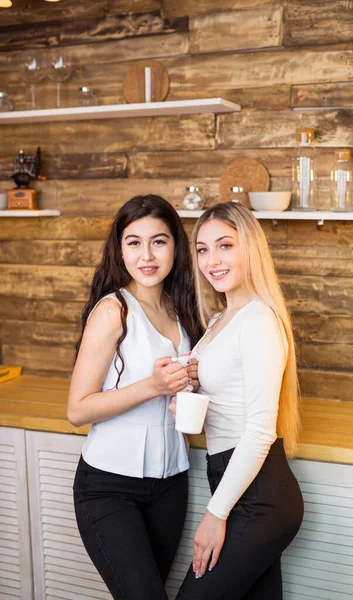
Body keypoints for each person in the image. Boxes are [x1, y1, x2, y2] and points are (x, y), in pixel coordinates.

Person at [68, 194, 202, 600]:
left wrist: (190, 383)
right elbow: (77, 409)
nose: (147, 255)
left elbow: (180, 391)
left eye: (159, 241)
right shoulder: (112, 312)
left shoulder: (183, 310)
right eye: (134, 242)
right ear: (119, 248)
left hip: (172, 482)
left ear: (176, 246)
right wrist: (153, 386)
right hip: (108, 486)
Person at [174, 202, 304, 600]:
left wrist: (215, 514)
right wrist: (192, 386)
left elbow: (260, 431)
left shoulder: (259, 320)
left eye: (225, 245)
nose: (212, 260)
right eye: (202, 249)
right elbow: (228, 393)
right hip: (235, 481)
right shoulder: (219, 319)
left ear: (249, 247)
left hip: (259, 495)